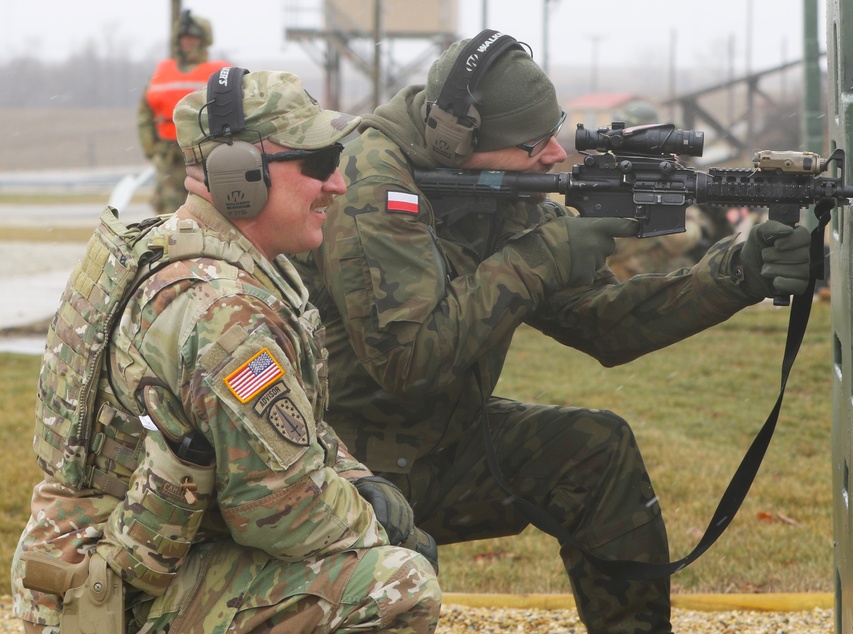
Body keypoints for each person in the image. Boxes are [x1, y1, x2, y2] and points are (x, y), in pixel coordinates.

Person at [296, 30, 811, 634]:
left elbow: (601, 322)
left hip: (438, 443)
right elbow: (408, 364)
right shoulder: (370, 187)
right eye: (533, 143)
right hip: (343, 470)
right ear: (457, 139)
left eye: (554, 132)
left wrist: (734, 273)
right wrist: (538, 257)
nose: (554, 156)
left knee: (595, 451)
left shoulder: (498, 185)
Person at [12, 68, 440, 633]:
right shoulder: (223, 312)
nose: (337, 183)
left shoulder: (172, 248)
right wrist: (384, 528)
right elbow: (283, 512)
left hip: (98, 564)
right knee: (399, 584)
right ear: (241, 178)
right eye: (317, 164)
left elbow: (294, 431)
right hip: (109, 600)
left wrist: (362, 484)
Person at [136, 10, 230, 215]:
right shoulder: (163, 73)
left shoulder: (219, 74)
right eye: (184, 38)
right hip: (169, 158)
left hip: (206, 154)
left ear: (203, 41)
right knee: (168, 213)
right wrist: (151, 149)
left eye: (193, 38)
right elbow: (144, 113)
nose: (187, 42)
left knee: (207, 211)